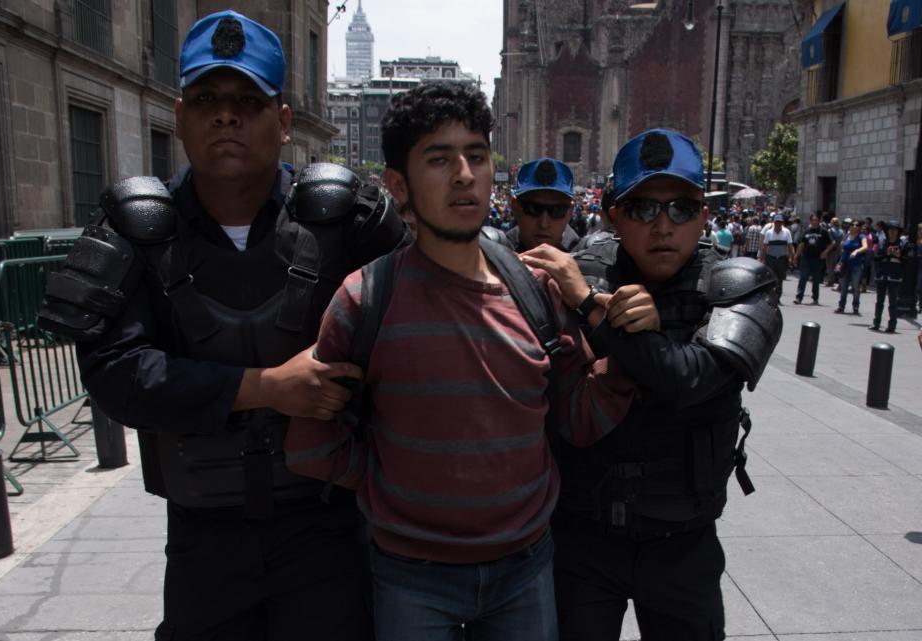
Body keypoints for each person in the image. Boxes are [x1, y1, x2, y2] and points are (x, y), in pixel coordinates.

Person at [38, 11, 406, 640]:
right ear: (180, 116)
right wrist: (263, 387)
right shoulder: (137, 229)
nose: (226, 116)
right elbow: (117, 375)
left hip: (325, 529)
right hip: (203, 536)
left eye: (247, 101)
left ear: (283, 122)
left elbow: (412, 339)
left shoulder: (347, 221)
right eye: (207, 99)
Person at [284, 82, 641, 641]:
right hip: (410, 581)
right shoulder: (363, 299)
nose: (464, 174)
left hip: (526, 572)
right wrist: (386, 483)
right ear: (398, 183)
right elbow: (310, 440)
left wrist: (625, 353)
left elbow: (577, 417)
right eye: (439, 158)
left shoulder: (538, 293)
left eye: (476, 155)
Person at [520, 128, 782, 640]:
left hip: (681, 542)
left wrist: (592, 311)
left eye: (681, 208)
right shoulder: (584, 272)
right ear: (615, 214)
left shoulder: (736, 285)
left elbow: (690, 379)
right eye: (643, 209)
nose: (663, 226)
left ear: (704, 214)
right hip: (582, 534)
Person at [506, 157, 581, 252]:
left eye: (557, 211)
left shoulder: (586, 259)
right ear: (515, 208)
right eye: (533, 209)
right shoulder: (493, 258)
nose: (544, 224)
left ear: (570, 212)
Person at [871, 220, 909, 332]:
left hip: (894, 276)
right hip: (882, 275)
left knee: (893, 302)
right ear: (887, 231)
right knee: (879, 302)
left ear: (898, 232)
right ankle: (876, 323)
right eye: (890, 230)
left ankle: (892, 326)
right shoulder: (882, 242)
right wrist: (885, 253)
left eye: (895, 230)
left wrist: (899, 256)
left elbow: (907, 262)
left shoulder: (903, 244)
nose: (892, 232)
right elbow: (876, 258)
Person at [794, 213, 834, 305]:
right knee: (803, 277)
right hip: (806, 257)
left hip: (817, 259)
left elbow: (832, 243)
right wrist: (796, 255)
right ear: (810, 221)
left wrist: (825, 252)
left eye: (816, 220)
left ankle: (815, 298)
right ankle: (799, 298)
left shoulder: (823, 231)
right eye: (813, 220)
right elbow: (801, 244)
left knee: (816, 279)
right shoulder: (806, 231)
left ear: (819, 221)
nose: (815, 222)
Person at [835, 219, 869, 314]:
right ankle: (841, 306)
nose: (854, 226)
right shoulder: (847, 235)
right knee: (843, 286)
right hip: (845, 265)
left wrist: (856, 251)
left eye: (856, 225)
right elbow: (842, 246)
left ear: (859, 227)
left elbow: (865, 247)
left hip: (856, 265)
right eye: (852, 225)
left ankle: (856, 307)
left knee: (855, 287)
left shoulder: (861, 236)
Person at [761, 213, 795, 302]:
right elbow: (764, 246)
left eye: (780, 222)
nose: (778, 224)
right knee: (770, 278)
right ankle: (770, 296)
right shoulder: (768, 233)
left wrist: (792, 257)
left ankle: (777, 297)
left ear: (782, 223)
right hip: (770, 258)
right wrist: (762, 258)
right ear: (774, 222)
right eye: (777, 222)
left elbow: (790, 245)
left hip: (782, 258)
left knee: (780, 279)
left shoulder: (786, 232)